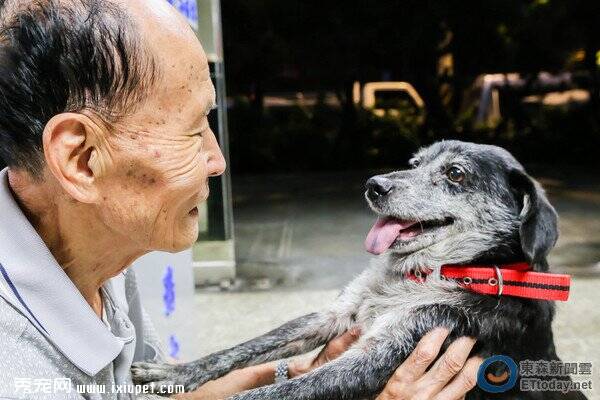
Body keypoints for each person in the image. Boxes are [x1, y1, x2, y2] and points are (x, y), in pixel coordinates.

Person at [0, 0, 482, 399]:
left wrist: (282, 375)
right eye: (193, 129)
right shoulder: (17, 373)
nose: (217, 160)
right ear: (82, 159)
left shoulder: (98, 257)